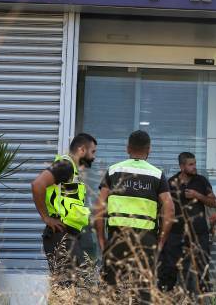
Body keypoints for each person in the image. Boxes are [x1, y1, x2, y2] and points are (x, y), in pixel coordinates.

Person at [94, 130, 174, 303]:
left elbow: (98, 207)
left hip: (117, 239)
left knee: (112, 290)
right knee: (143, 292)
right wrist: (160, 241)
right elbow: (169, 209)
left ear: (128, 148)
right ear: (149, 149)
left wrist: (101, 240)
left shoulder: (114, 171)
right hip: (146, 241)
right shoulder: (157, 174)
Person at [31, 133, 98, 282]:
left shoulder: (72, 170)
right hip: (59, 234)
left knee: (76, 285)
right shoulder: (65, 166)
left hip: (69, 235)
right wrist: (46, 218)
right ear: (81, 150)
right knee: (66, 287)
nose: (94, 157)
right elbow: (37, 185)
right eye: (92, 152)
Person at [158, 152, 216, 296]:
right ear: (181, 166)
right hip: (175, 233)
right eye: (191, 164)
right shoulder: (171, 182)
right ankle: (167, 297)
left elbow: (214, 202)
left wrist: (197, 195)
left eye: (195, 164)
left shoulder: (201, 181)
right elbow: (163, 208)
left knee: (201, 269)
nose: (194, 167)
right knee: (169, 269)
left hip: (198, 234)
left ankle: (202, 299)